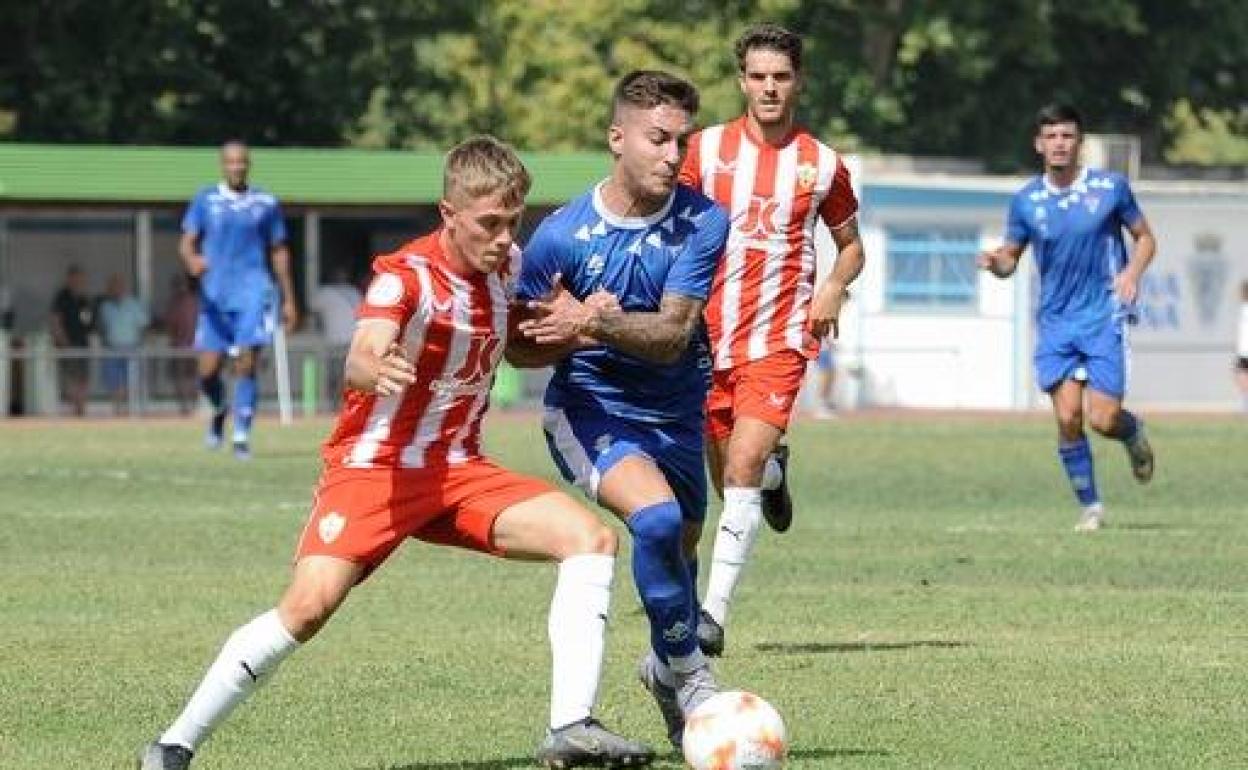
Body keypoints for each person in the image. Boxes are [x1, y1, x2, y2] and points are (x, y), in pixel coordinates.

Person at [137, 136, 654, 770]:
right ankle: (172, 745)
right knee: (308, 607)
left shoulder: (509, 266)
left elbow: (522, 344)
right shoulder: (403, 277)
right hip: (373, 470)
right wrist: (369, 365)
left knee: (590, 540)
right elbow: (364, 349)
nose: (502, 237)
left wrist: (578, 326)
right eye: (488, 223)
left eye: (512, 221)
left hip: (458, 470)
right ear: (448, 214)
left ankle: (571, 726)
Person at [507, 70, 730, 750]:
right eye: (658, 139)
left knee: (680, 552)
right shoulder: (560, 236)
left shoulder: (705, 220)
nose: (672, 155)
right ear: (617, 138)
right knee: (657, 521)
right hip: (593, 409)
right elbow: (517, 349)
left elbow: (670, 338)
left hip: (678, 413)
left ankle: (663, 670)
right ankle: (692, 676)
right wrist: (572, 332)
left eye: (681, 142)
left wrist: (597, 322)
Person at [677, 23, 865, 655]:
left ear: (798, 83)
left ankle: (713, 616)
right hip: (704, 339)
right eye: (758, 76)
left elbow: (851, 244)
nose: (769, 88)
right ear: (742, 82)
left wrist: (835, 284)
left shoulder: (821, 164)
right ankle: (775, 474)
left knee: (742, 467)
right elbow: (670, 226)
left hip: (781, 335)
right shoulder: (703, 152)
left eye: (781, 77)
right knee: (727, 476)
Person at [979, 102, 1156, 532]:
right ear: (1039, 144)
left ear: (1080, 143)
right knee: (1067, 417)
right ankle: (1091, 506)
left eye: (1067, 136)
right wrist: (997, 263)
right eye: (1052, 136)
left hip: (1103, 317)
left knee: (1103, 419)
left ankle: (1132, 433)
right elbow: (1011, 259)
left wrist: (1131, 272)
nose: (1059, 144)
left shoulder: (1110, 189)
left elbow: (1146, 238)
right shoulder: (1026, 201)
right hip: (1057, 322)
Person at [180, 140, 299, 459]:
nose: (237, 167)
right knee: (207, 370)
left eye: (242, 161)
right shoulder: (205, 200)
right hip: (215, 295)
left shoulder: (265, 203)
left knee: (246, 363)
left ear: (248, 164)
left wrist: (289, 298)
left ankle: (242, 435)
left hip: (254, 292)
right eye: (231, 162)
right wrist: (192, 260)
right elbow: (187, 242)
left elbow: (279, 250)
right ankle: (219, 410)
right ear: (222, 164)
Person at [96, 273, 149, 415]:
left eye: (118, 286)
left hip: (131, 348)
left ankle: (130, 411)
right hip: (112, 348)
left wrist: (141, 345)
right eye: (112, 286)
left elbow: (143, 326)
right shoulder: (105, 307)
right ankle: (117, 411)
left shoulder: (133, 304)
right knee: (114, 381)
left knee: (131, 381)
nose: (115, 289)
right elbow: (102, 327)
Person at [310, 265, 363, 403]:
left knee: (335, 376)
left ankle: (335, 405)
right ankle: (346, 404)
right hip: (354, 339)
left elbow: (311, 309)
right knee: (350, 377)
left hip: (336, 340)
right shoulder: (354, 291)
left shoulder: (325, 292)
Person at [49, 265, 95, 417]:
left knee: (83, 377)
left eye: (82, 279)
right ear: (69, 279)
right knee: (71, 377)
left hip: (83, 345)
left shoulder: (83, 299)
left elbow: (88, 321)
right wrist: (63, 343)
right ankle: (74, 409)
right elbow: (56, 321)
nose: (79, 282)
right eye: (76, 278)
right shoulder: (61, 297)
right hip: (68, 345)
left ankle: (81, 408)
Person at [163, 273, 200, 415]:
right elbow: (170, 326)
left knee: (192, 377)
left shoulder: (194, 302)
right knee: (182, 377)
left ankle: (192, 405)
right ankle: (186, 406)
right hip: (181, 347)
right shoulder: (175, 303)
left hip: (192, 347)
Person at [809, 338, 839, 419]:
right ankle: (821, 409)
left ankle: (826, 406)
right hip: (822, 351)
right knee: (825, 379)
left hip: (825, 351)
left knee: (830, 377)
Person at [1236, 280, 1248, 413]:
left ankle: (1245, 404)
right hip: (1243, 350)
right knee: (1241, 376)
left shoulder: (1245, 308)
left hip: (1245, 351)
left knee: (1242, 376)